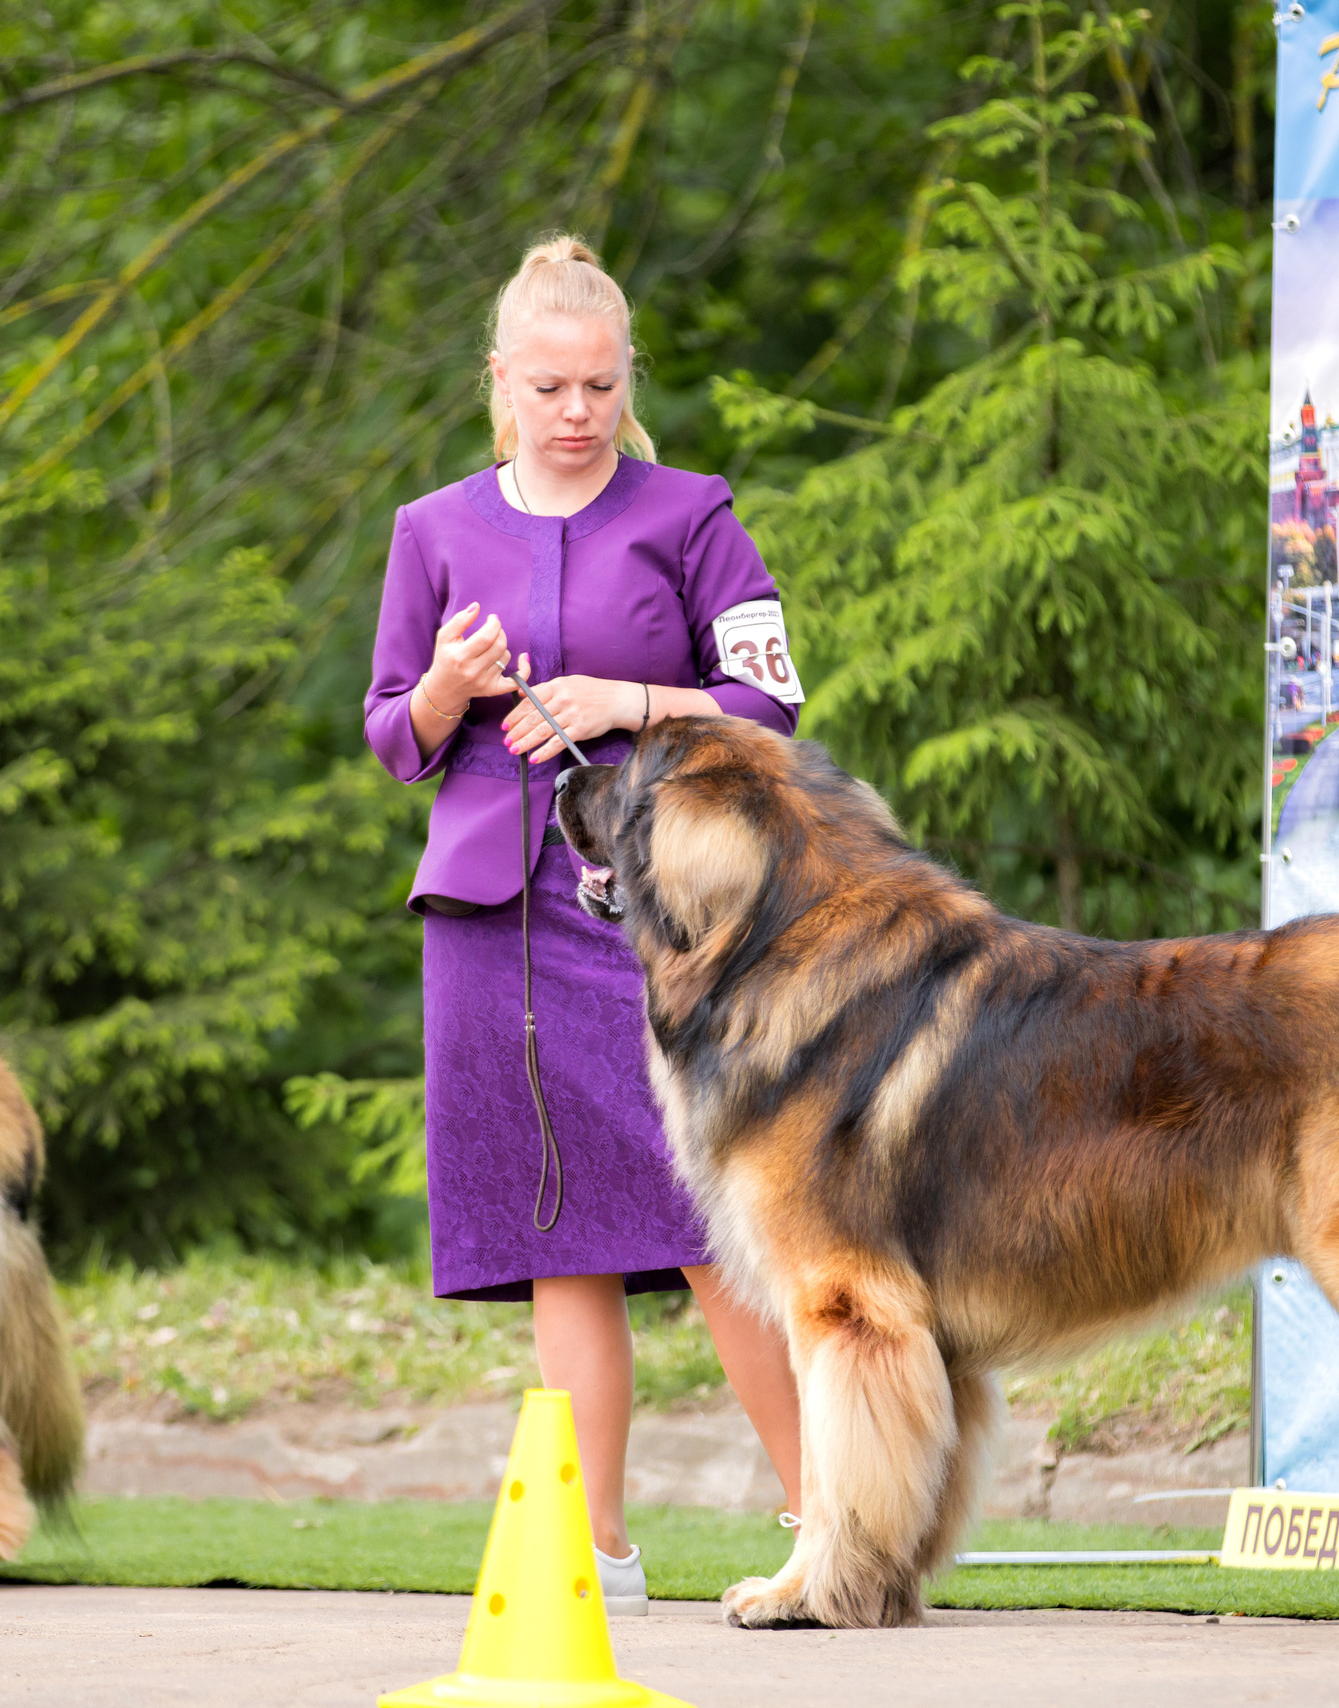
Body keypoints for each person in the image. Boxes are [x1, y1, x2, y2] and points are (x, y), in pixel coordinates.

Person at [362, 235, 804, 1617]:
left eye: (600, 386)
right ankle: (597, 1556)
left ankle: (831, 1516)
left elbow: (772, 702)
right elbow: (392, 739)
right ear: (502, 379)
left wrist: (631, 702)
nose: (575, 411)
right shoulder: (432, 530)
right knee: (562, 1232)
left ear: (627, 382)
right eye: (549, 385)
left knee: (710, 1220)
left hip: (660, 912)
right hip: (492, 922)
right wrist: (441, 688)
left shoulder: (692, 512)